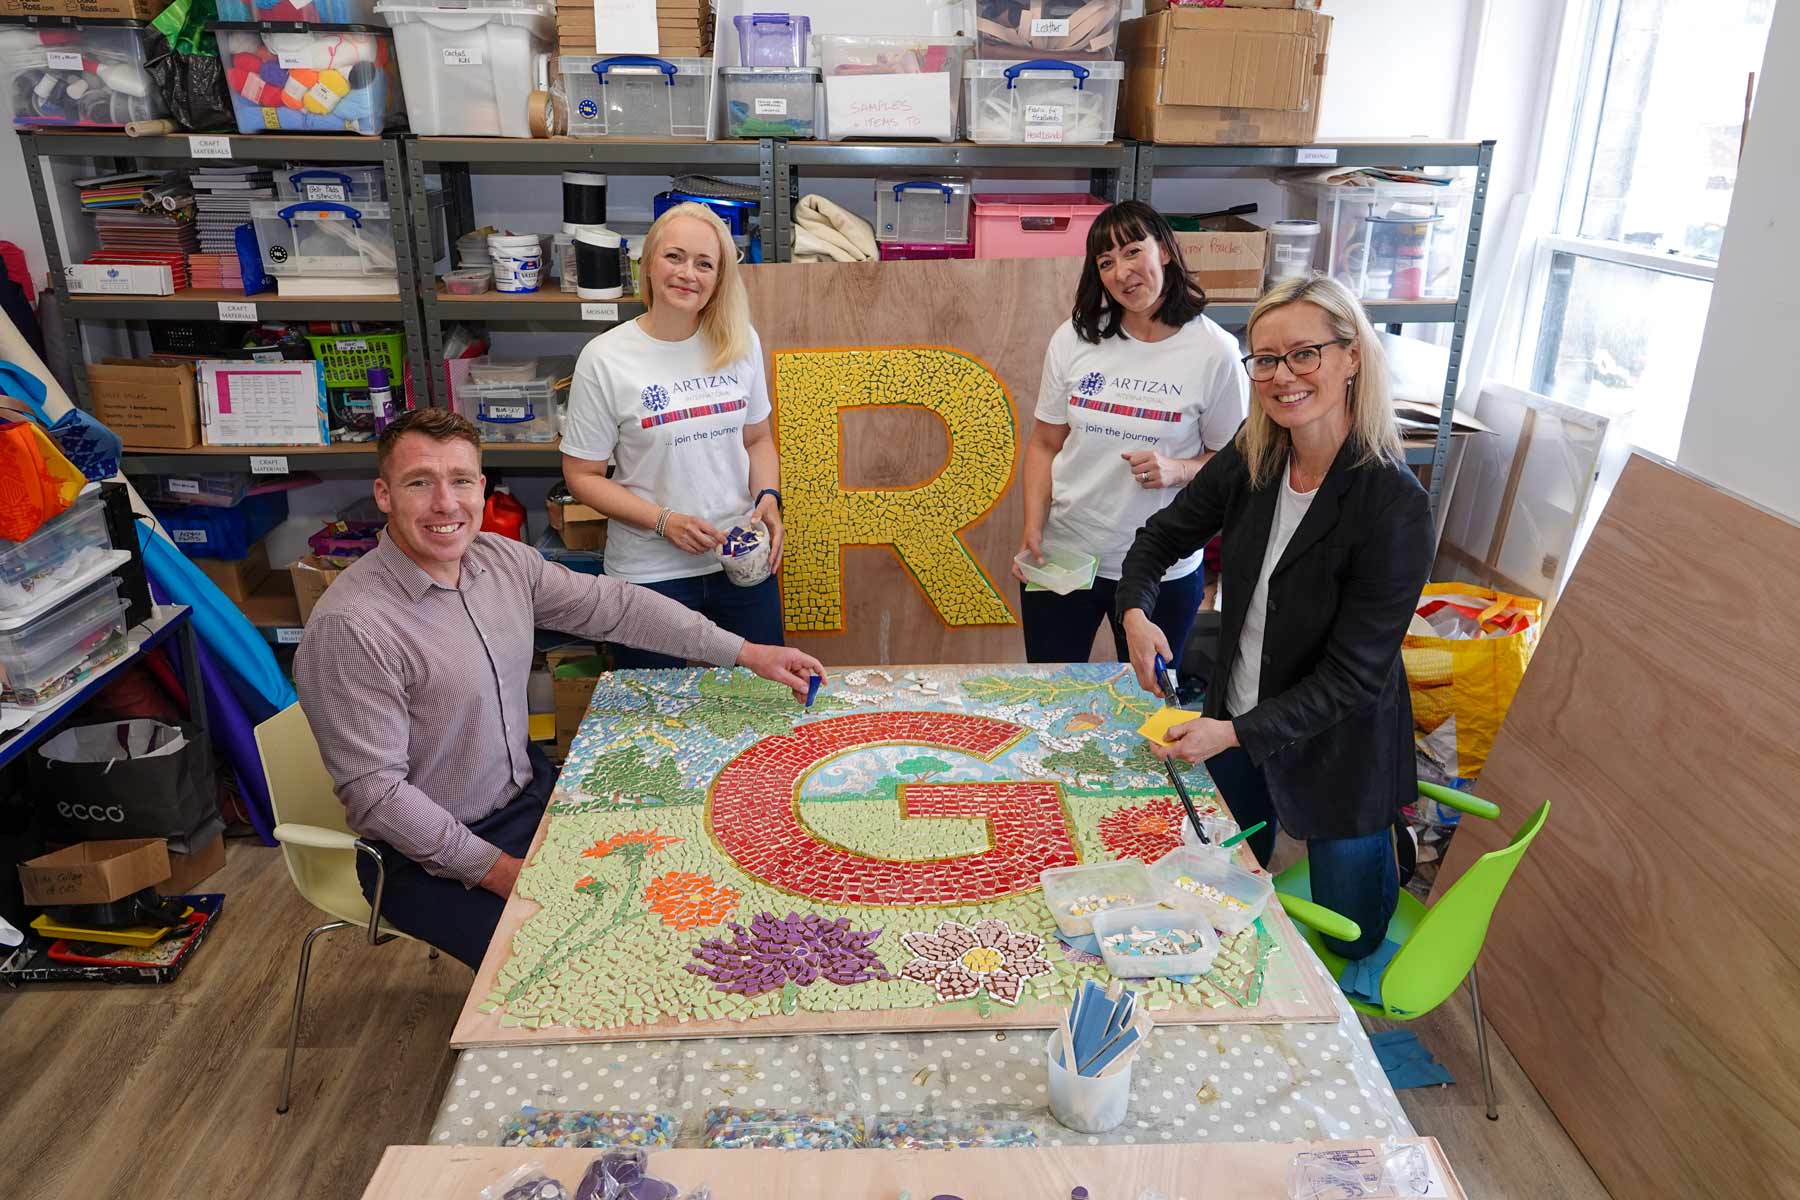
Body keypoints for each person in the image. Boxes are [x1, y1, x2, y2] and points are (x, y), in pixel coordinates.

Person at [293, 408, 825, 970]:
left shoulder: (500, 562)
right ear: (383, 494)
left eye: (461, 481)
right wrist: (503, 873)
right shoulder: (353, 625)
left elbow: (613, 608)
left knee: (697, 884)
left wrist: (747, 652)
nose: (445, 504)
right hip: (425, 859)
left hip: (531, 799)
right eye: (420, 483)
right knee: (585, 963)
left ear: (482, 486)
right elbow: (377, 797)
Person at [1115, 275, 1433, 961]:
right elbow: (1160, 538)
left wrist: (1231, 733)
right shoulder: (1254, 456)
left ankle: (1387, 843)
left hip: (1339, 752)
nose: (1282, 376)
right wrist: (1136, 612)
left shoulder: (1392, 503)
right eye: (1264, 359)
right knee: (1222, 903)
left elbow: (1351, 678)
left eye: (1304, 354)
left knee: (1352, 938)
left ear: (1351, 358)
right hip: (1238, 721)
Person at [1014, 200, 1247, 665]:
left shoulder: (1214, 352)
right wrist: (1033, 527)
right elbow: (1043, 445)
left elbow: (1235, 463)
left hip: (1162, 567)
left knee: (1147, 701)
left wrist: (1179, 468)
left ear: (1163, 250)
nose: (1121, 272)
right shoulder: (1076, 338)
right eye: (1106, 262)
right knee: (1052, 693)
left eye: (1132, 252)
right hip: (1066, 557)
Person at [560, 202, 784, 669]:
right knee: (655, 722)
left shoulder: (738, 340)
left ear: (720, 278)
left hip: (739, 561)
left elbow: (758, 438)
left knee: (760, 706)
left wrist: (769, 497)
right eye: (675, 257)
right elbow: (582, 475)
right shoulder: (605, 358)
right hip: (649, 575)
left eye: (705, 264)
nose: (689, 274)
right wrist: (665, 521)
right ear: (648, 264)